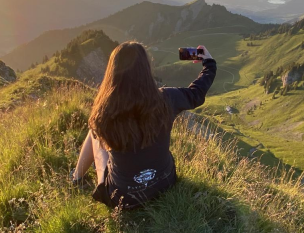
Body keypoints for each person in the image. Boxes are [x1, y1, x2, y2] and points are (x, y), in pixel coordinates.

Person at [71, 41, 216, 209]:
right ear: (146, 70)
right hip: (165, 184)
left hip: (123, 198)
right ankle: (80, 177)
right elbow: (196, 94)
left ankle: (77, 179)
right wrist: (209, 62)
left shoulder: (104, 113)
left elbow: (103, 144)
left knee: (94, 135)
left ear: (113, 72)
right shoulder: (166, 99)